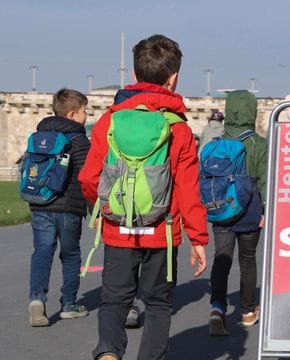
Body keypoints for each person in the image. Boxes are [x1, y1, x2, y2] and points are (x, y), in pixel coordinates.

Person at [78, 34, 208, 360]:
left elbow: (89, 177)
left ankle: (108, 350)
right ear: (174, 78)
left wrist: (108, 207)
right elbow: (188, 189)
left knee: (114, 300)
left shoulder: (109, 121)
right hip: (161, 232)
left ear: (134, 76)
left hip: (118, 229)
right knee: (159, 304)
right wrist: (198, 237)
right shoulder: (178, 128)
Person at [27, 88, 90, 327]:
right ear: (73, 114)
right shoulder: (78, 139)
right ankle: (69, 304)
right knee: (71, 254)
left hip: (40, 204)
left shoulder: (39, 135)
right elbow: (87, 175)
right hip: (69, 208)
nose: (86, 116)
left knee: (42, 251)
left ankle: (36, 299)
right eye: (85, 112)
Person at [208, 89, 267, 336]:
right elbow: (264, 180)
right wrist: (264, 210)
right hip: (250, 209)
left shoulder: (216, 142)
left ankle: (217, 308)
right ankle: (247, 311)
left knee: (222, 260)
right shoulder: (259, 144)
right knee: (247, 260)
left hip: (221, 207)